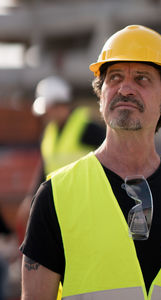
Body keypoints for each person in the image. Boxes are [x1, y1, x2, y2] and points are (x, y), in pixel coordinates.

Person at [20, 25, 161, 300]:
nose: (125, 88)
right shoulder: (55, 196)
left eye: (141, 79)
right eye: (114, 77)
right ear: (101, 96)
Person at [15, 75, 105, 245]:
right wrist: (31, 199)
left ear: (60, 105)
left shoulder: (88, 129)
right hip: (60, 209)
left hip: (87, 209)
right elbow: (45, 168)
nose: (44, 116)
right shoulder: (49, 133)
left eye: (47, 109)